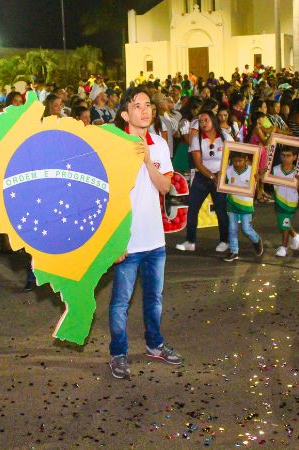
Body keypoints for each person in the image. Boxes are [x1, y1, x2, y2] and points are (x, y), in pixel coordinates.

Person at [108, 86, 182, 380]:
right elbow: (107, 195)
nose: (145, 110)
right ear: (125, 113)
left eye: (148, 105)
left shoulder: (160, 144)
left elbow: (165, 187)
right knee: (120, 303)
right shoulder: (112, 144)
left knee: (155, 298)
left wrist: (147, 158)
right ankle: (118, 354)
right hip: (126, 240)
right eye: (137, 106)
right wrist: (114, 239)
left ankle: (154, 344)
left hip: (155, 240)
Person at [176, 110, 231, 253]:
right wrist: (212, 177)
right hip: (203, 177)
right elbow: (199, 164)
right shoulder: (197, 139)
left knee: (221, 210)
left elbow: (235, 154)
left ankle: (225, 241)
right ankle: (190, 241)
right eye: (200, 121)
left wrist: (222, 174)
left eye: (206, 120)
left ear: (213, 120)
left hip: (220, 177)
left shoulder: (225, 137)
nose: (203, 123)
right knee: (192, 208)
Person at [223, 151, 264, 262]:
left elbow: (259, 184)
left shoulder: (252, 171)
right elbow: (222, 184)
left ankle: (256, 239)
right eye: (235, 161)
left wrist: (259, 178)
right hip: (232, 202)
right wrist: (218, 178)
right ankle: (234, 251)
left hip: (246, 203)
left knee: (246, 228)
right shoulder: (228, 170)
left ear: (246, 159)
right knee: (232, 228)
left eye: (240, 161)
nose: (237, 164)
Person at [272, 147, 299, 257]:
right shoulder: (275, 169)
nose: (285, 158)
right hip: (279, 201)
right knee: (283, 224)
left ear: (295, 157)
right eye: (283, 155)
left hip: (291, 203)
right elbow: (265, 179)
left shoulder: (297, 173)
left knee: (284, 224)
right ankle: (295, 236)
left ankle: (284, 247)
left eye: (288, 156)